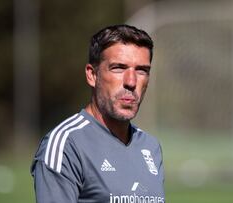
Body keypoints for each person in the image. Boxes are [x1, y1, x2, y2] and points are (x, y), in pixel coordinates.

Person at [31, 24, 165, 203]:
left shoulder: (150, 146)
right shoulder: (66, 145)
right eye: (118, 68)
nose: (131, 82)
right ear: (92, 75)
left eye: (142, 70)